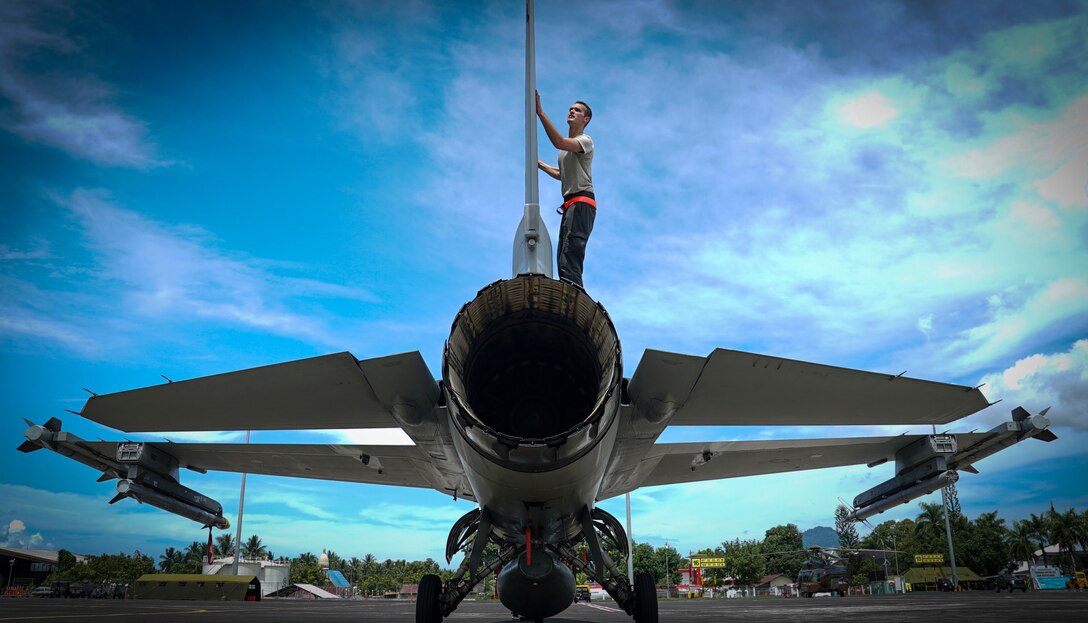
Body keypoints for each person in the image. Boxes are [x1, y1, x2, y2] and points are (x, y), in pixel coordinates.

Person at [536, 91, 595, 287]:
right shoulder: (565, 151)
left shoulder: (585, 140)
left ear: (585, 119)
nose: (572, 111)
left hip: (582, 202)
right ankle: (569, 291)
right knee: (563, 257)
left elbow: (558, 142)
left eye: (577, 110)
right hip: (570, 205)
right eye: (570, 108)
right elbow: (563, 174)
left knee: (571, 254)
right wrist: (540, 165)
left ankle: (575, 297)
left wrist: (541, 113)